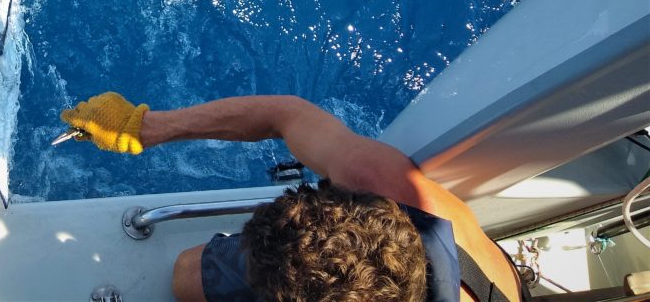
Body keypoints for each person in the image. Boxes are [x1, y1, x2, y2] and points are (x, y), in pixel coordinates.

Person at [60, 92, 529, 302]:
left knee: (186, 275)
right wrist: (147, 127)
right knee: (189, 274)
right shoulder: (386, 182)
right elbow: (287, 115)